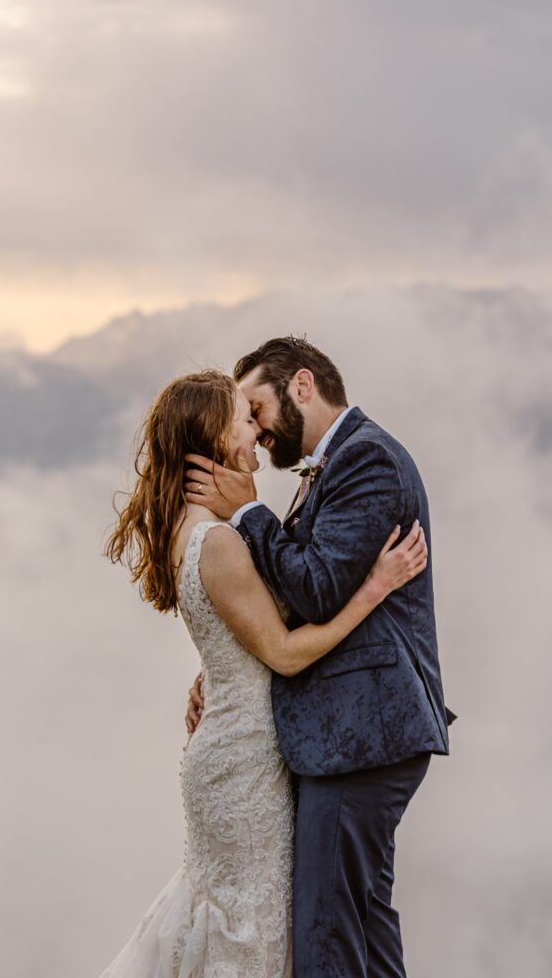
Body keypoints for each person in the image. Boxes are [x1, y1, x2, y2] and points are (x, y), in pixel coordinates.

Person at [101, 368, 428, 978]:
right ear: (214, 435)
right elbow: (281, 652)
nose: (256, 428)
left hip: (237, 748)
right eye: (241, 417)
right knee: (250, 938)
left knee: (241, 927)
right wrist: (374, 589)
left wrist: (213, 676)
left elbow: (231, 637)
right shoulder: (219, 540)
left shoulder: (193, 529)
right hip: (246, 764)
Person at [184, 337, 455, 978]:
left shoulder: (366, 460)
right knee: (362, 930)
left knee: (325, 938)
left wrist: (248, 509)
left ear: (301, 385)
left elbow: (317, 584)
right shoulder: (336, 464)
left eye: (257, 407)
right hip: (355, 734)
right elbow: (301, 600)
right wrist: (224, 664)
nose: (254, 428)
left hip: (361, 735)